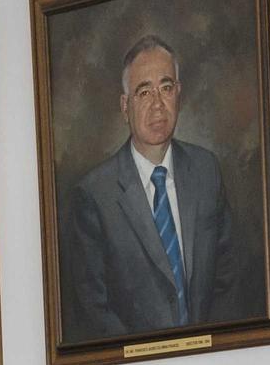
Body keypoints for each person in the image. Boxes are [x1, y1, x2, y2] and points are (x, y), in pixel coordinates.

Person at [59, 33, 251, 343]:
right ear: (125, 106)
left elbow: (228, 281)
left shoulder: (206, 171)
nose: (158, 105)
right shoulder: (94, 195)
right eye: (143, 92)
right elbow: (94, 311)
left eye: (165, 88)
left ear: (179, 94)